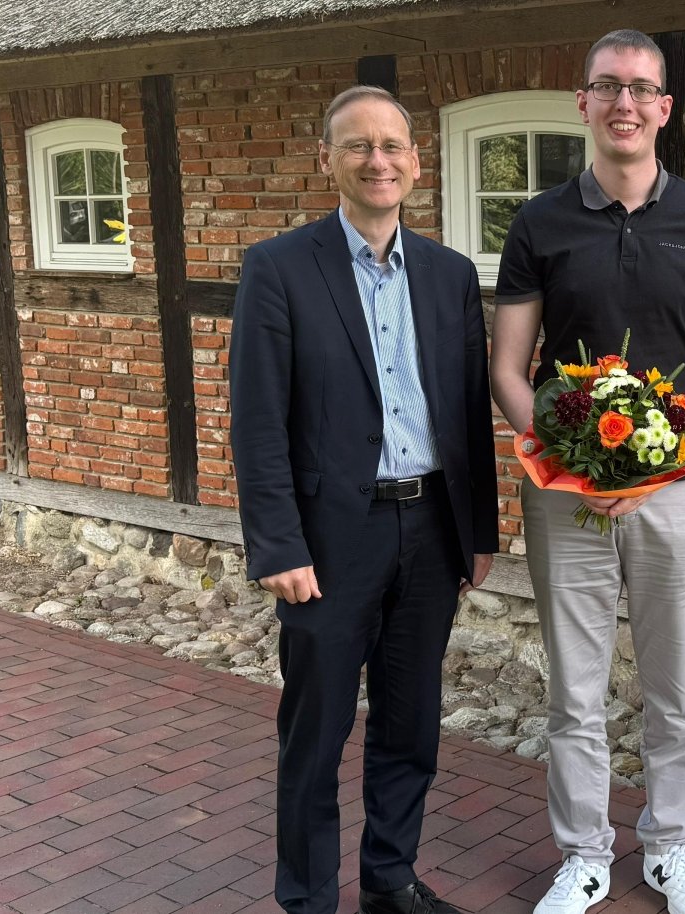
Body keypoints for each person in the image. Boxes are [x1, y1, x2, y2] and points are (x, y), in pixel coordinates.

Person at [489, 28, 685, 914]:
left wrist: (678, 449)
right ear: (584, 103)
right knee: (574, 690)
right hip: (565, 501)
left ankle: (671, 852)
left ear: (665, 110)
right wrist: (567, 460)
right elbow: (507, 368)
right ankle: (584, 856)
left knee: (674, 690)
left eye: (642, 89)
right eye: (608, 86)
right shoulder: (540, 221)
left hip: (676, 495)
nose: (625, 103)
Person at [230, 85, 497, 914]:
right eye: (358, 146)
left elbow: (464, 410)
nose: (378, 161)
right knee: (316, 734)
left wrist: (476, 530)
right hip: (330, 539)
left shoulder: (450, 274)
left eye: (392, 146)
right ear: (328, 161)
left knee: (411, 725)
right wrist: (278, 545)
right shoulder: (278, 267)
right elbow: (257, 417)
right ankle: (308, 899)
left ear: (416, 163)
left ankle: (390, 880)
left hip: (429, 530)